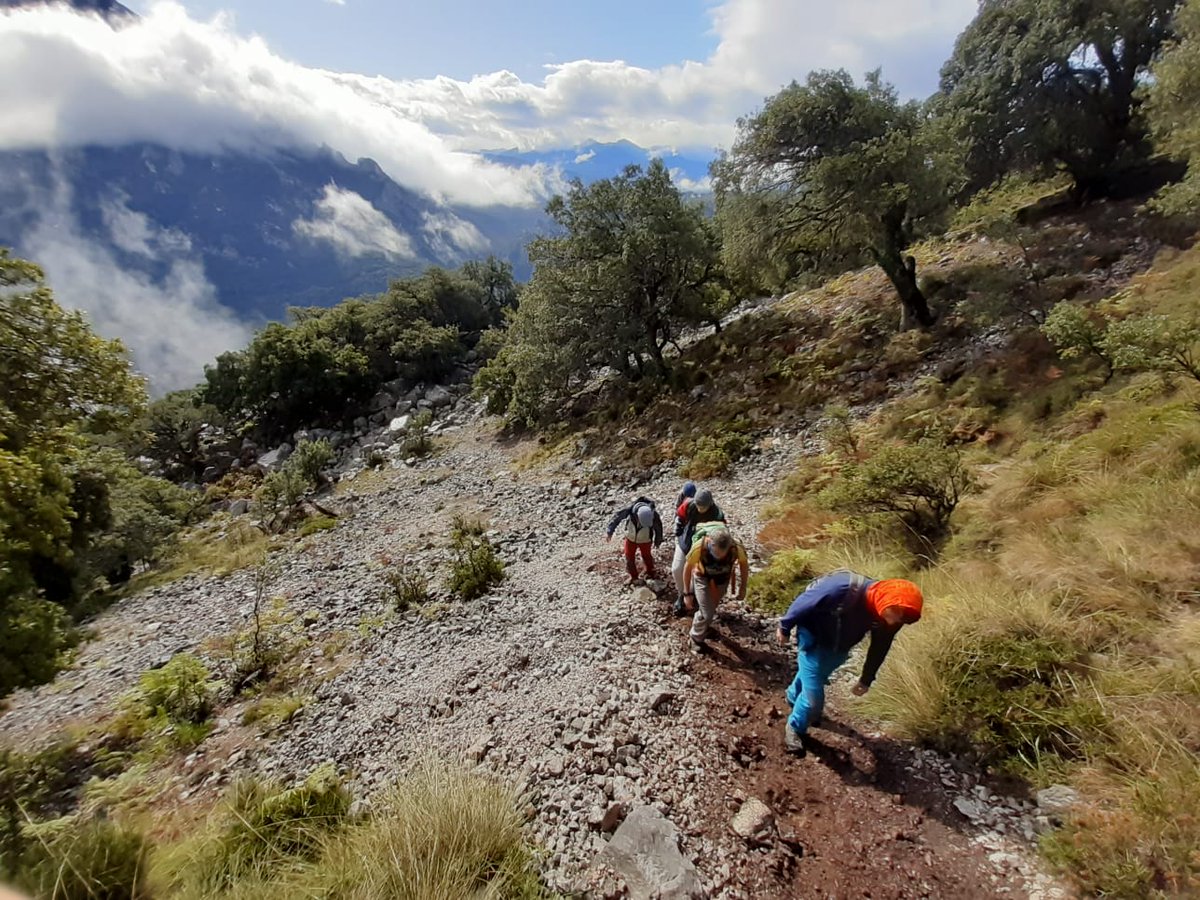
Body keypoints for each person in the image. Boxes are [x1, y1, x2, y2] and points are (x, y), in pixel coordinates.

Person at [776, 572, 923, 756]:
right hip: (813, 638)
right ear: (887, 596)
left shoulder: (888, 615)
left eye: (902, 616)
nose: (895, 620)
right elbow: (806, 601)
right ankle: (795, 728)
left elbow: (880, 646)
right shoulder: (843, 588)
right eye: (895, 611)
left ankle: (792, 695)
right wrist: (785, 626)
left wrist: (866, 679)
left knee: (816, 675)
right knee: (814, 699)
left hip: (839, 648)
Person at [681, 525, 748, 651]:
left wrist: (743, 588)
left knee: (711, 607)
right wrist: (687, 593)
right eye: (715, 553)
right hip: (702, 577)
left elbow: (744, 566)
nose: (718, 557)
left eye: (722, 555)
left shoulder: (737, 548)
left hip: (722, 579)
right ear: (709, 542)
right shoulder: (699, 547)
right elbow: (687, 567)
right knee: (707, 613)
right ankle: (695, 638)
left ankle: (703, 623)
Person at [672, 488, 725, 613]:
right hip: (686, 540)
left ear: (710, 504)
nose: (700, 509)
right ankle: (682, 593)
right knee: (677, 568)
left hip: (705, 546)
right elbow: (679, 517)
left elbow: (722, 531)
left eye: (703, 507)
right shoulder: (689, 505)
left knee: (699, 573)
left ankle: (695, 595)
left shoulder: (717, 514)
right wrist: (678, 532)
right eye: (698, 505)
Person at [605, 496, 664, 584]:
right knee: (629, 557)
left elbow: (658, 528)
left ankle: (650, 572)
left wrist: (657, 541)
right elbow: (616, 518)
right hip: (630, 538)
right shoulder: (629, 510)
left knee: (647, 556)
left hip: (645, 539)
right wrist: (609, 531)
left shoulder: (653, 514)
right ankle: (633, 577)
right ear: (637, 515)